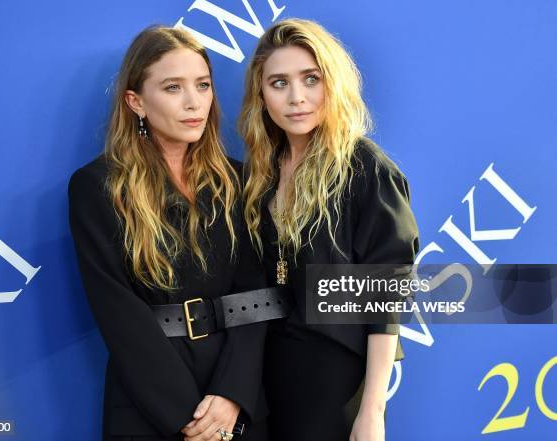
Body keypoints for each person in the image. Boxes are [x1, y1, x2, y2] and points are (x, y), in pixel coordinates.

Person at [69, 26, 286, 441]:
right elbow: (120, 317)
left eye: (202, 85)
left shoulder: (238, 181)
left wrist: (230, 395)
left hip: (236, 406)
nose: (194, 103)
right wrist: (191, 423)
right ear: (136, 102)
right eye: (173, 88)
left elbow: (257, 297)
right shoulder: (97, 187)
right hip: (150, 409)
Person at [239, 19, 420, 441]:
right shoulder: (259, 176)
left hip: (335, 376)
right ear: (261, 95)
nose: (296, 97)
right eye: (279, 82)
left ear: (332, 84)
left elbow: (384, 299)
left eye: (311, 79)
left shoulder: (366, 169)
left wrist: (372, 412)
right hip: (269, 376)